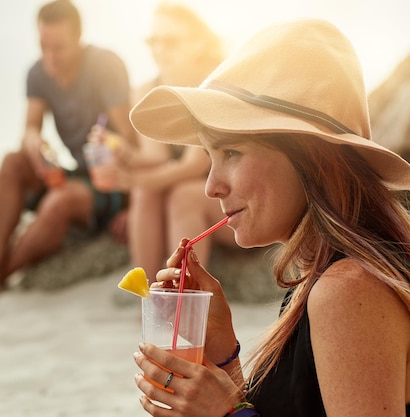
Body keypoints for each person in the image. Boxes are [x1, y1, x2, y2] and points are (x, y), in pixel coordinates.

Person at [128, 19, 410, 416]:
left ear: (307, 156)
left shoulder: (348, 291)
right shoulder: (322, 281)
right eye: (210, 158)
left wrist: (226, 413)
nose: (211, 186)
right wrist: (226, 357)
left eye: (232, 153)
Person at [0, 0, 137, 306]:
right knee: (11, 161)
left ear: (79, 38)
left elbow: (132, 139)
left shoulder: (104, 64)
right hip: (77, 173)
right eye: (43, 46)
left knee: (61, 200)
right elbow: (30, 127)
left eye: (59, 47)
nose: (50, 57)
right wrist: (34, 143)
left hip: (111, 181)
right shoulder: (38, 73)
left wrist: (134, 205)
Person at [103, 3, 237, 284]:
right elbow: (157, 158)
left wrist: (130, 179)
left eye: (171, 41)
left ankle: (180, 297)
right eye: (154, 41)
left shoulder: (216, 83)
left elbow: (193, 165)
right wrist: (122, 154)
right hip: (194, 195)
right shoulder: (146, 90)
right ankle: (148, 295)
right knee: (145, 193)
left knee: (181, 194)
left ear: (199, 42)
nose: (160, 49)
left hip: (226, 197)